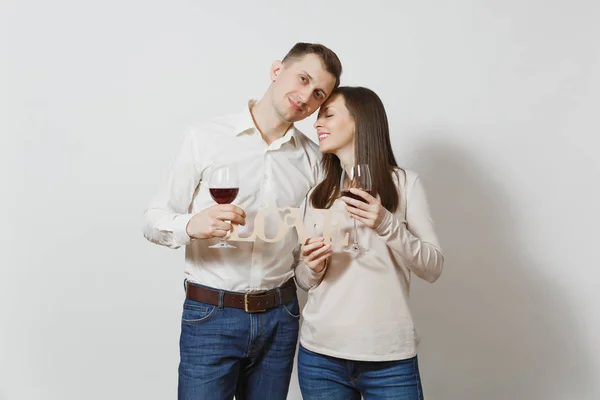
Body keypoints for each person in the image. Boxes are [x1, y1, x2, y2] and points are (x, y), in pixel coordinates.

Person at [143, 43, 342, 400]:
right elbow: (153, 219)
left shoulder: (314, 160)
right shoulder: (204, 137)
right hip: (210, 315)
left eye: (318, 94)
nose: (305, 97)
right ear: (276, 70)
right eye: (302, 79)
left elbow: (304, 257)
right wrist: (191, 226)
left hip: (281, 316)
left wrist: (315, 266)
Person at [294, 86, 444, 400]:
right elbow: (305, 281)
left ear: (361, 121)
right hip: (320, 357)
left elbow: (433, 267)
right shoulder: (316, 195)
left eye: (329, 115)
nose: (317, 123)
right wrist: (312, 266)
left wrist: (385, 224)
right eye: (318, 117)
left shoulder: (404, 184)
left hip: (388, 358)